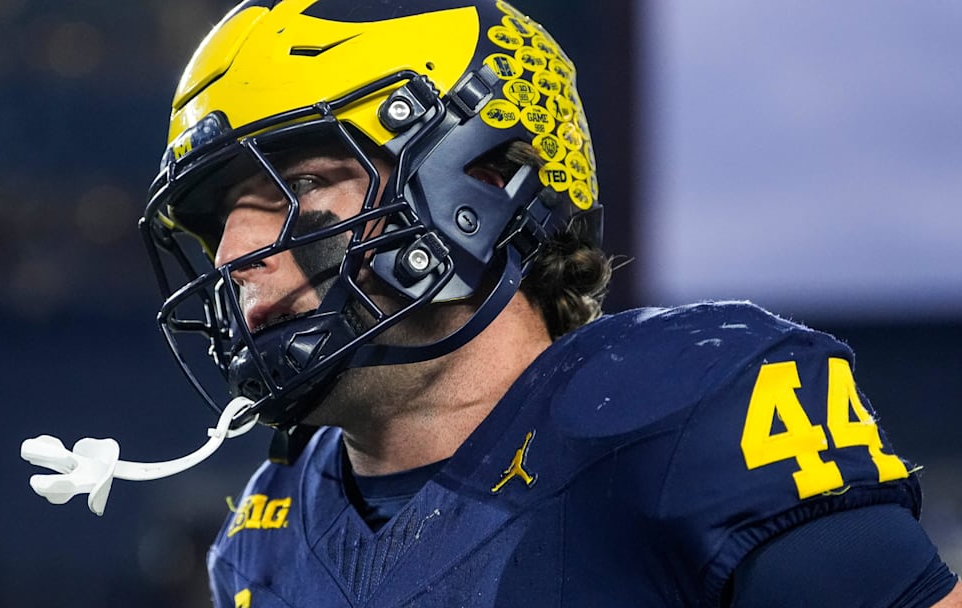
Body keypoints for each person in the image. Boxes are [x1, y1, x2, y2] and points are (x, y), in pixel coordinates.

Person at [139, 1, 962, 605]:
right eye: (217, 223)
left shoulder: (682, 411)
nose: (236, 255)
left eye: (305, 183)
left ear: (481, 177)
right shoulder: (263, 541)